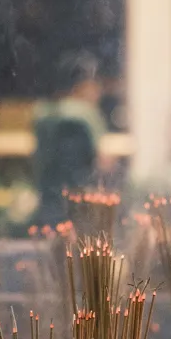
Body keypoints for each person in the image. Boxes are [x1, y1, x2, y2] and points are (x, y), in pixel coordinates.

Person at [33, 55, 106, 228]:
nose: (98, 91)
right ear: (81, 86)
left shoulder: (42, 113)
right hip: (79, 198)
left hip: (48, 198)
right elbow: (104, 161)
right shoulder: (86, 115)